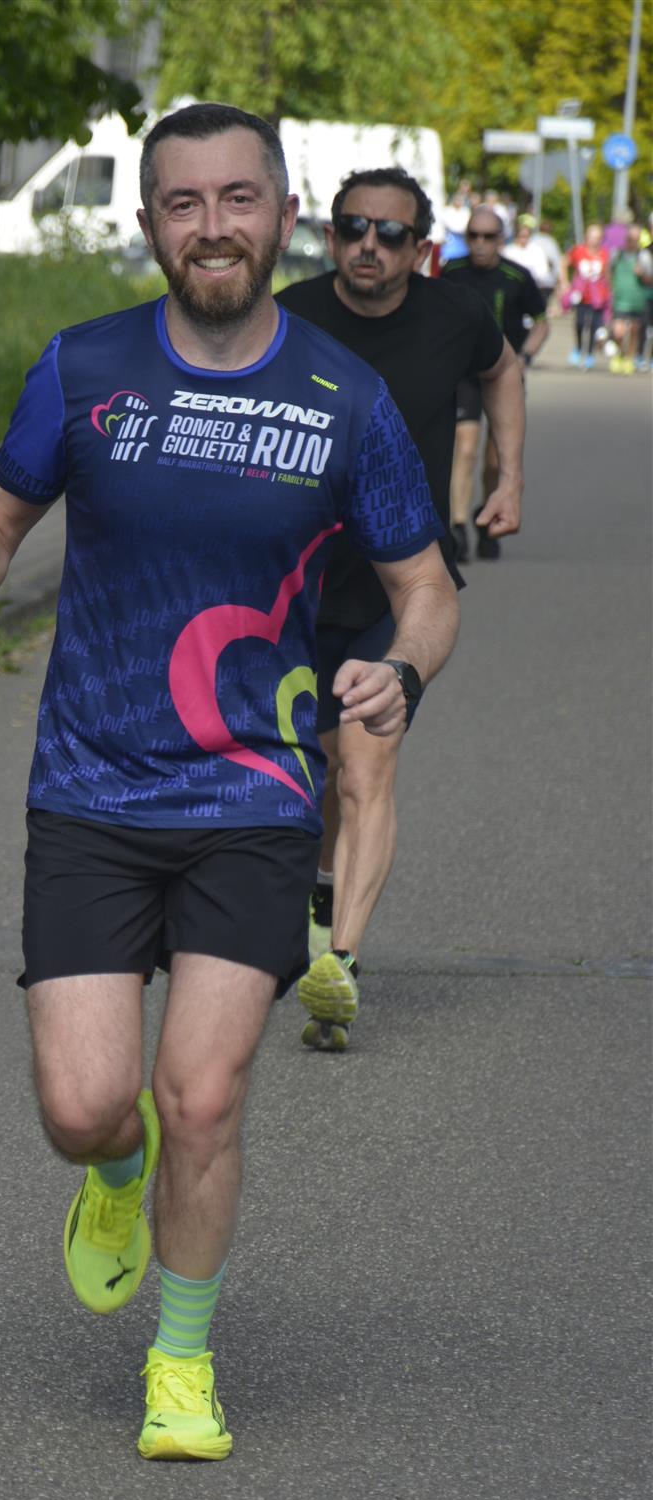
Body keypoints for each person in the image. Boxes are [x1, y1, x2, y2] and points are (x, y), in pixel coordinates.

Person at [0, 103, 457, 1461]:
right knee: (85, 1105)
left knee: (203, 1092)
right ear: (149, 222)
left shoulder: (343, 398)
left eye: (238, 199)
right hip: (90, 789)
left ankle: (183, 1362)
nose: (213, 227)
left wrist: (401, 670)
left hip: (253, 798)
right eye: (184, 203)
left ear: (283, 216)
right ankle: (115, 1170)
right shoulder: (83, 366)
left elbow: (425, 587)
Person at [277, 169, 525, 1050]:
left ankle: (339, 963)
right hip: (299, 586)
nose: (368, 246)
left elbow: (503, 370)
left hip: (400, 586)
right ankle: (320, 892)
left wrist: (509, 476)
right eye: (353, 228)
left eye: (389, 234)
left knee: (364, 766)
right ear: (330, 235)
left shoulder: (456, 314)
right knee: (314, 774)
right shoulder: (288, 318)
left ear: (420, 249)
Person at [442, 209, 547, 558]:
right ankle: (458, 528)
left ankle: (486, 515)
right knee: (465, 448)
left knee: (494, 461)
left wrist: (525, 356)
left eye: (488, 237)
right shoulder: (452, 272)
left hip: (503, 376)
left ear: (501, 240)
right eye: (473, 235)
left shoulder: (517, 276)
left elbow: (542, 322)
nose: (480, 244)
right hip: (464, 374)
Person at [562, 224, 610, 368]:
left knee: (595, 325)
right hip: (581, 295)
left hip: (598, 297)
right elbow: (564, 263)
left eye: (597, 238)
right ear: (586, 237)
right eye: (591, 237)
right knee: (580, 323)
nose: (594, 241)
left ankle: (589, 353)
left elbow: (607, 274)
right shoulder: (578, 251)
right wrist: (564, 283)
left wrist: (609, 292)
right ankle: (578, 348)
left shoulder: (604, 254)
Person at [608, 222, 653, 373]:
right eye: (629, 239)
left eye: (635, 239)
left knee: (634, 330)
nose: (631, 242)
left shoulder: (643, 256)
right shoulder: (617, 254)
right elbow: (608, 272)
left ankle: (629, 357)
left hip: (637, 299)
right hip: (620, 298)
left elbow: (650, 279)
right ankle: (620, 353)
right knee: (618, 331)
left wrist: (642, 274)